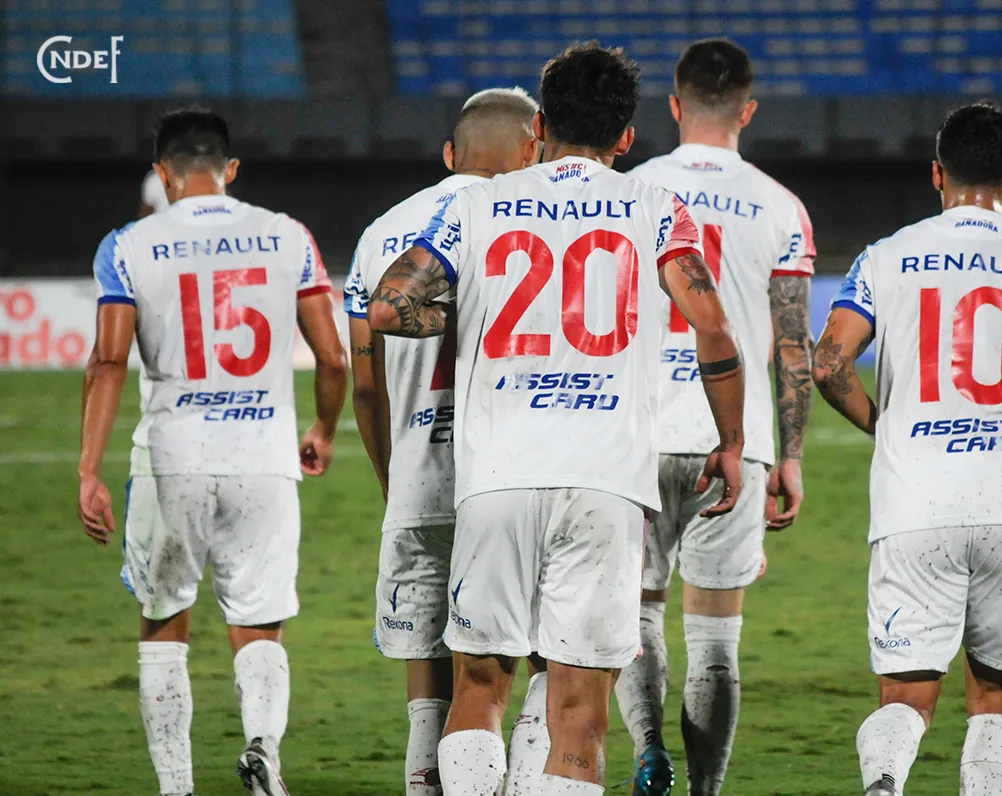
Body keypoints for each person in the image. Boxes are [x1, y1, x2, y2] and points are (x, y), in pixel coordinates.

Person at [367, 41, 747, 796]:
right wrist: (731, 441)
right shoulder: (654, 205)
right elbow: (711, 324)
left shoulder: (474, 204)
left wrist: (468, 320)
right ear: (627, 136)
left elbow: (388, 307)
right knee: (579, 704)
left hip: (497, 476)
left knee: (479, 683)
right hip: (606, 481)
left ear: (538, 126)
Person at [811, 102, 1002, 796]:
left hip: (917, 498)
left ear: (936, 174)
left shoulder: (884, 257)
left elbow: (828, 364)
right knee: (994, 697)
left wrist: (884, 426)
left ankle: (884, 784)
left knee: (905, 694)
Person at [77, 107, 348, 796]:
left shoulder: (128, 244)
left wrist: (88, 469)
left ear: (162, 173)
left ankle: (177, 787)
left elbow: (108, 361)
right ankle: (263, 751)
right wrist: (322, 428)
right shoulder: (288, 235)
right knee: (259, 624)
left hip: (171, 460)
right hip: (263, 457)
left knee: (164, 622)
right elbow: (333, 357)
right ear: (229, 169)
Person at [613, 38, 816, 796]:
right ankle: (704, 792)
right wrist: (789, 457)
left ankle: (648, 752)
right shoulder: (780, 206)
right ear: (748, 111)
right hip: (732, 439)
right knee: (715, 640)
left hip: (633, 436)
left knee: (635, 615)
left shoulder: (630, 190)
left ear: (673, 105)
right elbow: (791, 343)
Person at [344, 86, 542, 796]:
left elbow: (366, 385)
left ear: (450, 153)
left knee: (427, 677)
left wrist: (392, 480)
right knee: (541, 662)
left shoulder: (381, 234)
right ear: (534, 150)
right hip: (513, 477)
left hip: (417, 481)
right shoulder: (534, 221)